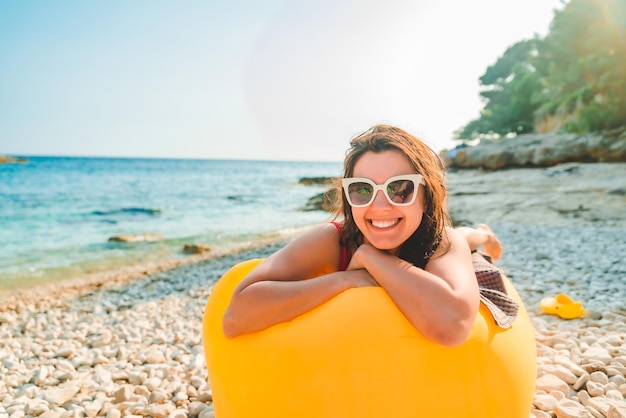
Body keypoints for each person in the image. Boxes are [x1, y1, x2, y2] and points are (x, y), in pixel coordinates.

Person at [222, 125, 504, 346]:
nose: (380, 206)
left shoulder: (442, 242)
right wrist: (346, 279)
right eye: (363, 189)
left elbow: (453, 328)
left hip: (437, 238)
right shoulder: (334, 240)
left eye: (400, 188)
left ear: (426, 195)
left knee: (464, 239)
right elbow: (235, 317)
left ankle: (481, 234)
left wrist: (372, 258)